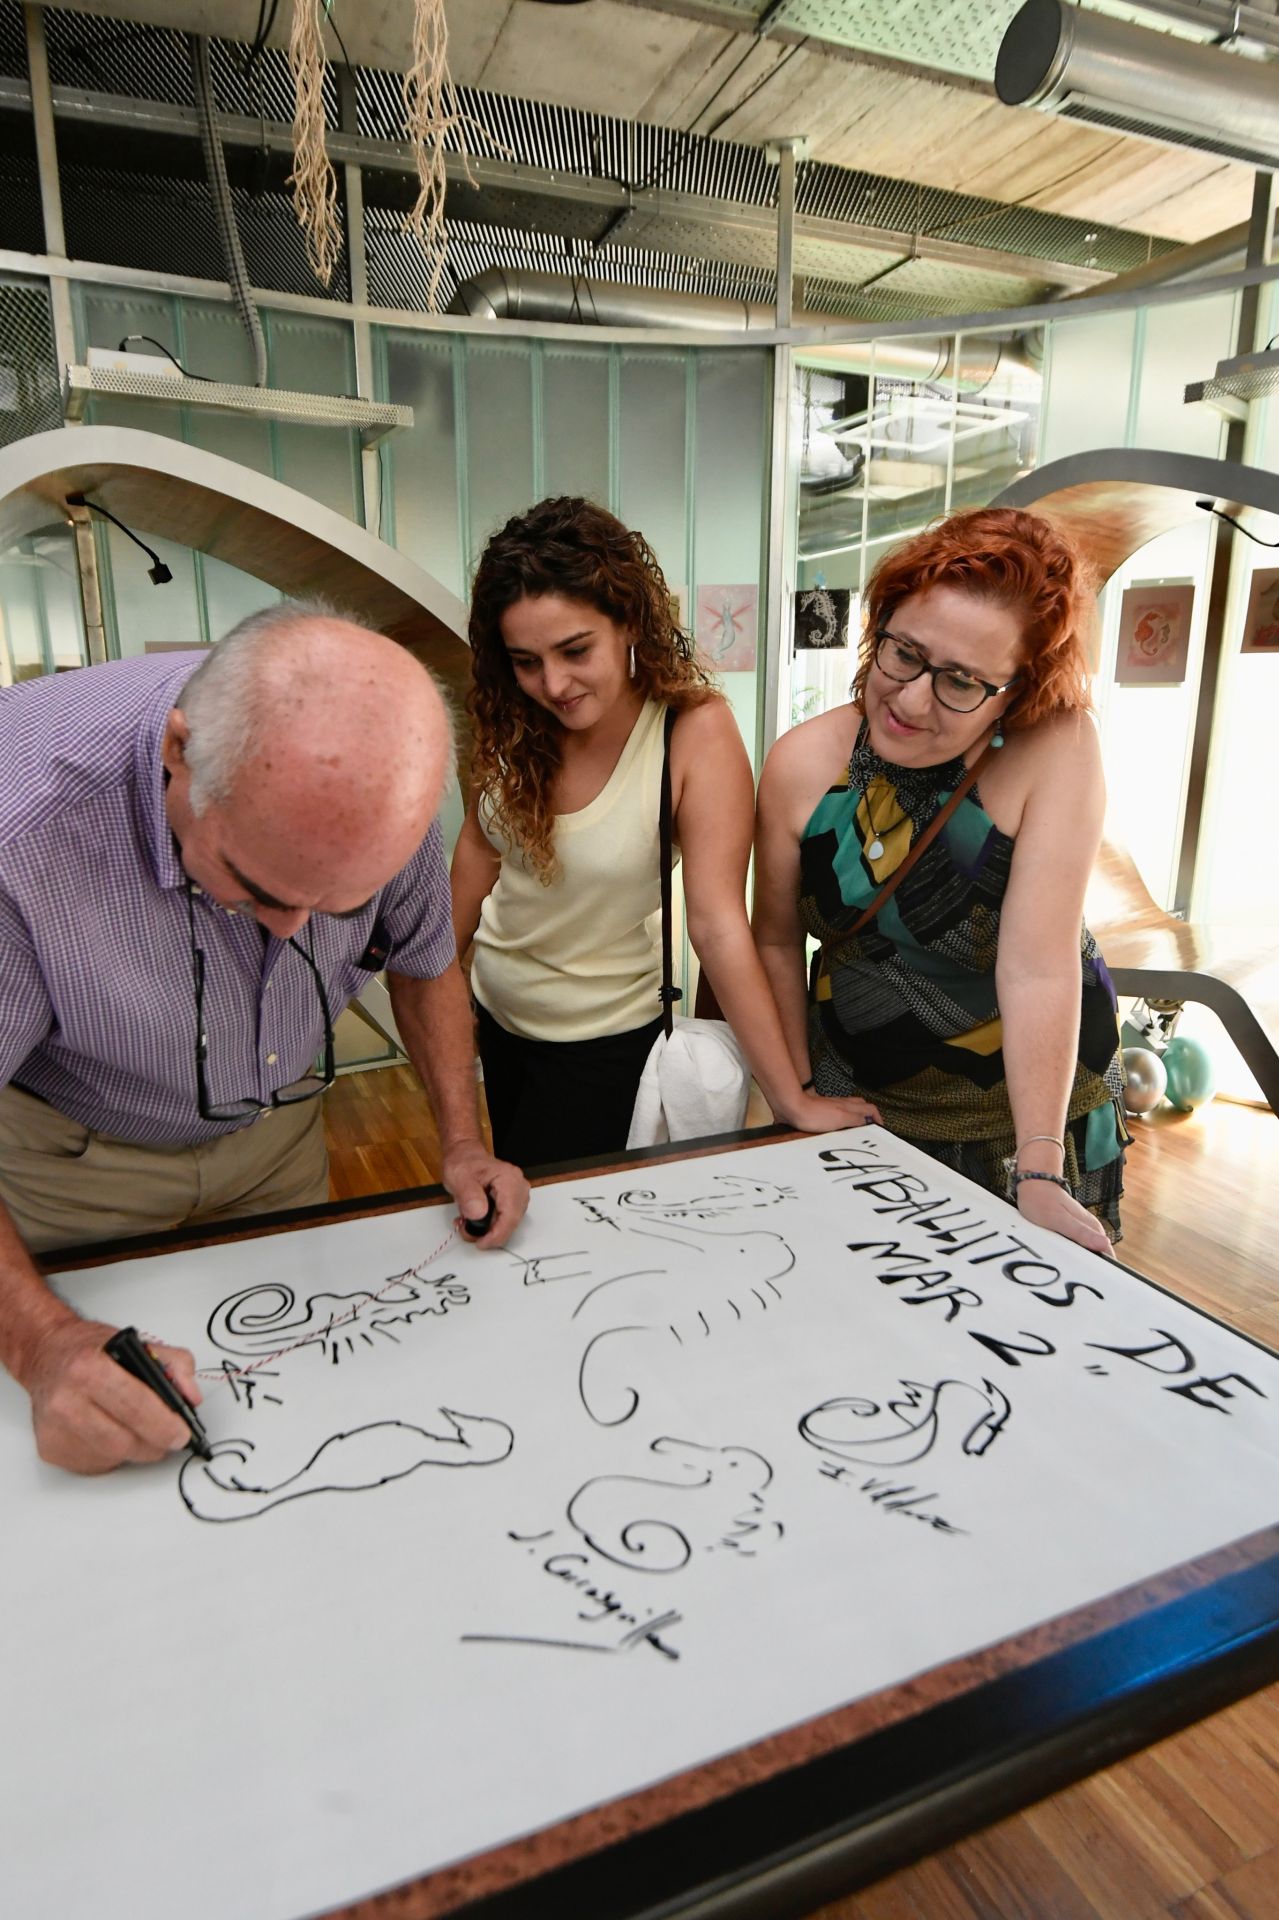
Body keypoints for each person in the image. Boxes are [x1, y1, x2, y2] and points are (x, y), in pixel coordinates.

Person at [0, 603, 528, 1475]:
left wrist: (464, 1143)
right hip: (73, 1168)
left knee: (300, 1406)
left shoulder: (376, 782)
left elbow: (426, 963)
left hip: (278, 1141)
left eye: (338, 904)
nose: (290, 933)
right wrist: (43, 1344)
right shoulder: (22, 829)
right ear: (178, 754)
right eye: (253, 887)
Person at [450, 496, 881, 1167]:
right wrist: (439, 1006)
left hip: (604, 1043)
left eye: (574, 650)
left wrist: (789, 1097)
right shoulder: (507, 721)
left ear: (628, 621)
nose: (552, 683)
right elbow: (471, 875)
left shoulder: (691, 729)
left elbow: (716, 925)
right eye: (525, 660)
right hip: (498, 1027)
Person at [753, 507, 1128, 1255]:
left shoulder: (1056, 746)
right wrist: (793, 1098)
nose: (912, 699)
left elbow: (1035, 966)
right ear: (879, 626)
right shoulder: (800, 763)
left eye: (961, 682)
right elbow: (771, 943)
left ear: (1016, 693)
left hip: (1025, 1117)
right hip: (857, 1094)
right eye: (904, 655)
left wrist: (1041, 1169)